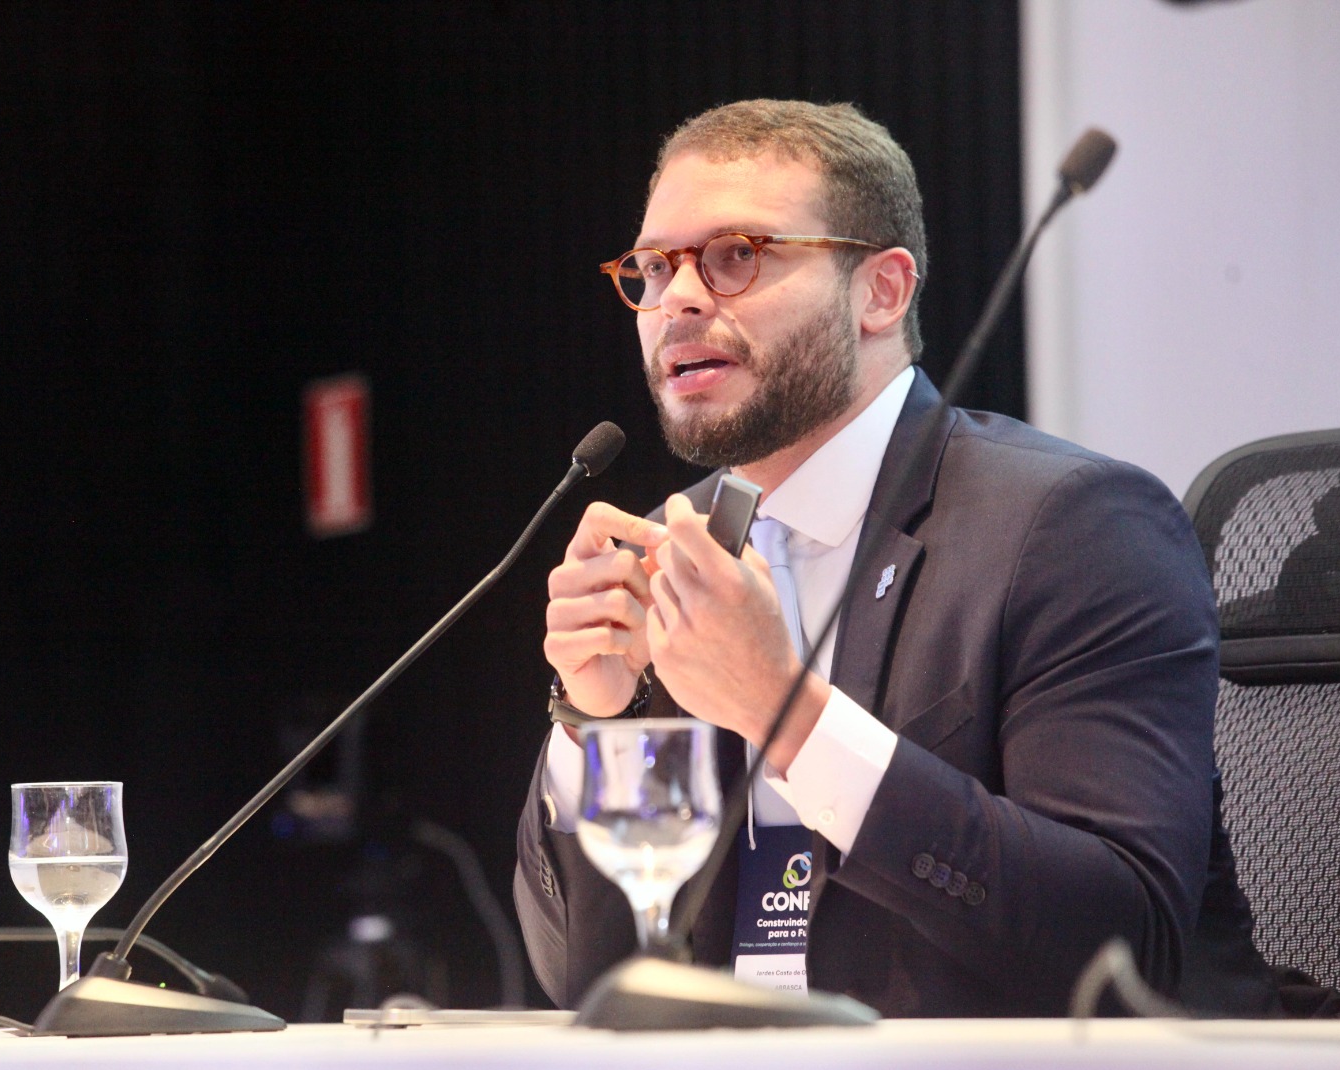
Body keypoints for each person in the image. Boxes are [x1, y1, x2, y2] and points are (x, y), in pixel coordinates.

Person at [514, 99, 1275, 1017]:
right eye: (651, 267)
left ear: (881, 291)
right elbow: (586, 982)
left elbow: (1122, 946)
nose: (675, 299)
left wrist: (785, 713)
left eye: (734, 256)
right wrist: (594, 723)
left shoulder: (1073, 527)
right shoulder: (676, 549)